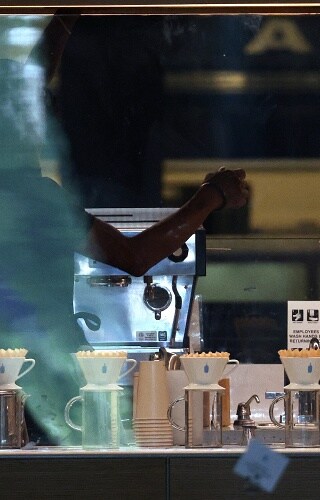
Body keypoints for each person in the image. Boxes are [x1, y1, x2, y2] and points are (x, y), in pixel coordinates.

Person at [0, 56, 249, 444]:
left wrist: (68, 18)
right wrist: (210, 197)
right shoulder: (35, 200)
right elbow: (135, 258)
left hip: (38, 391)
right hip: (47, 392)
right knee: (256, 471)